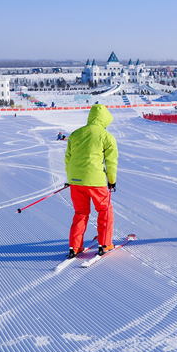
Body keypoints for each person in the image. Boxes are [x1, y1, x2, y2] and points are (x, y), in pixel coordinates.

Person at [64, 104, 118, 257]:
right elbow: (111, 161)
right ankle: (105, 244)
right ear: (104, 119)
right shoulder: (106, 136)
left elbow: (68, 159)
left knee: (80, 212)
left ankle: (75, 247)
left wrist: (71, 178)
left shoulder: (75, 134)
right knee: (104, 211)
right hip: (96, 181)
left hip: (75, 180)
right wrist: (112, 180)